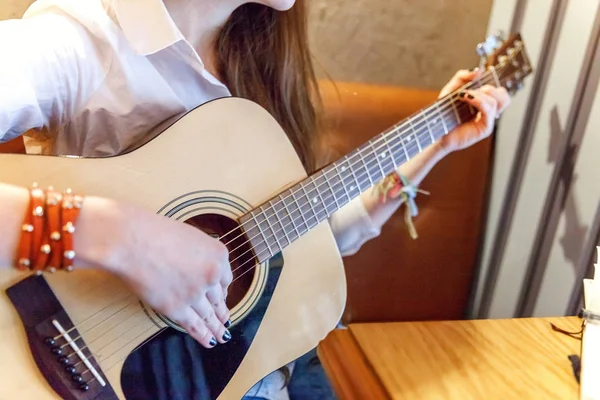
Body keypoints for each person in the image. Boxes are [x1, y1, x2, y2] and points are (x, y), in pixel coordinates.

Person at [0, 0, 510, 398]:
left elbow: (304, 243)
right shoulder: (79, 43)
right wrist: (125, 238)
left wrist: (431, 145)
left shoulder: (256, 61)